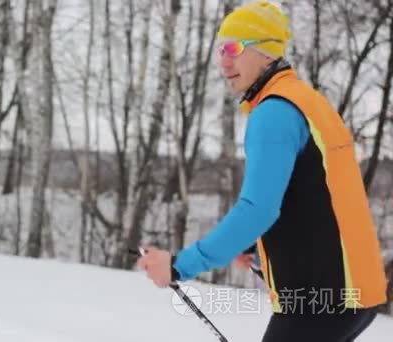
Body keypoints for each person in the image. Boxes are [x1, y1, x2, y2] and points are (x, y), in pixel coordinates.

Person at [136, 1, 387, 341]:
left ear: (266, 53)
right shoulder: (307, 101)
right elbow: (314, 197)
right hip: (357, 293)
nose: (224, 61)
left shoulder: (273, 113)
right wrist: (260, 248)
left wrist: (179, 264)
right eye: (221, 50)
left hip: (320, 301)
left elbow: (257, 209)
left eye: (234, 49)